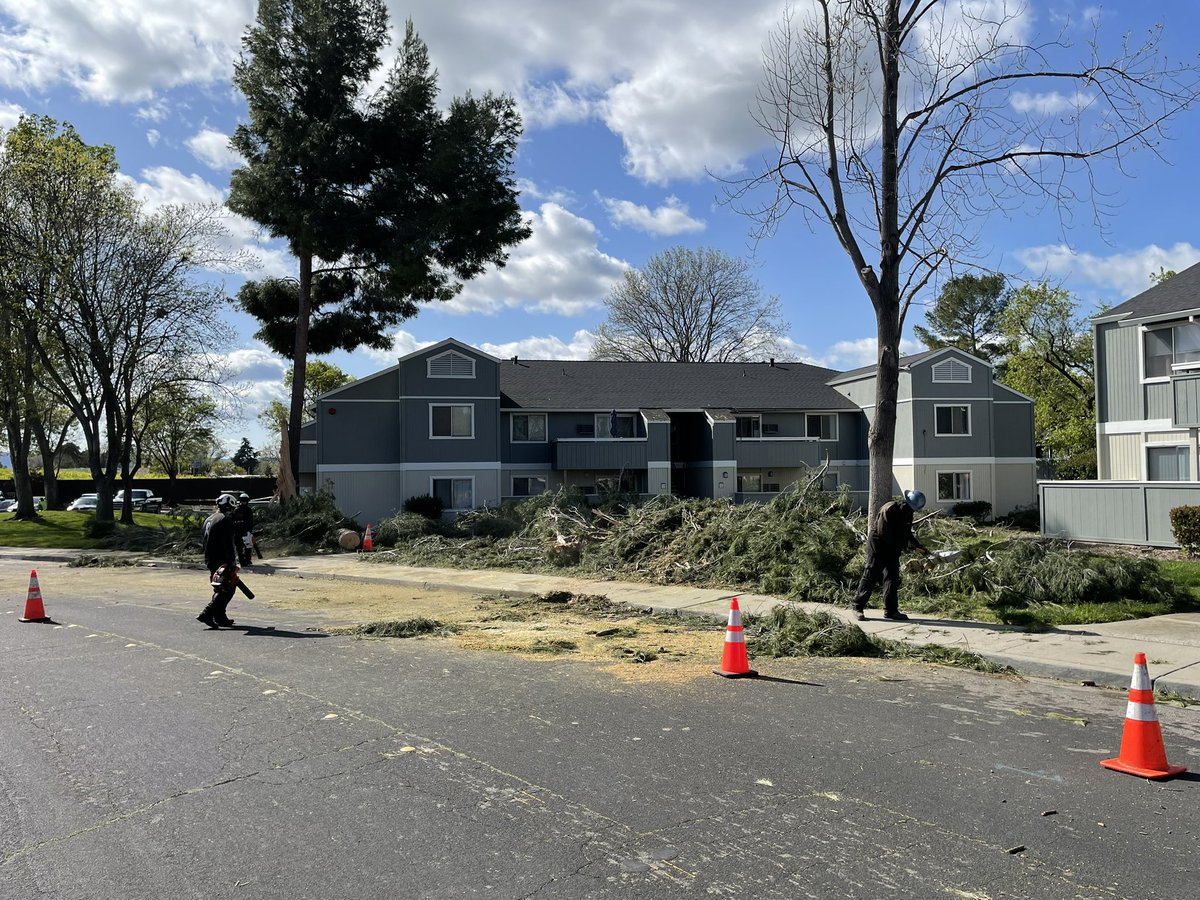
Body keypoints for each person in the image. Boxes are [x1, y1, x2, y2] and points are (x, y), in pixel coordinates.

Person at [851, 489, 930, 622]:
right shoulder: (889, 509)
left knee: (892, 578)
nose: (910, 510)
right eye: (909, 507)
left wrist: (917, 546)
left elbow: (907, 533)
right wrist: (904, 546)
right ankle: (857, 606)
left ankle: (891, 611)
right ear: (905, 501)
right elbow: (883, 533)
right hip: (878, 546)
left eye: (913, 509)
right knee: (871, 575)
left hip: (893, 547)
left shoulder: (908, 512)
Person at [198, 495, 239, 628]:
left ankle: (220, 617)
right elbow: (228, 543)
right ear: (228, 506)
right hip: (221, 558)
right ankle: (207, 613)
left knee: (221, 587)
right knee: (227, 588)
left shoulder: (209, 519)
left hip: (210, 558)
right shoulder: (225, 520)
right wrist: (232, 562)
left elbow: (203, 540)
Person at [231, 492, 255, 565]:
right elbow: (251, 522)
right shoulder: (247, 510)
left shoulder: (236, 510)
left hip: (239, 532)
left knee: (241, 547)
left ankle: (244, 560)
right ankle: (246, 560)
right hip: (243, 531)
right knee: (246, 547)